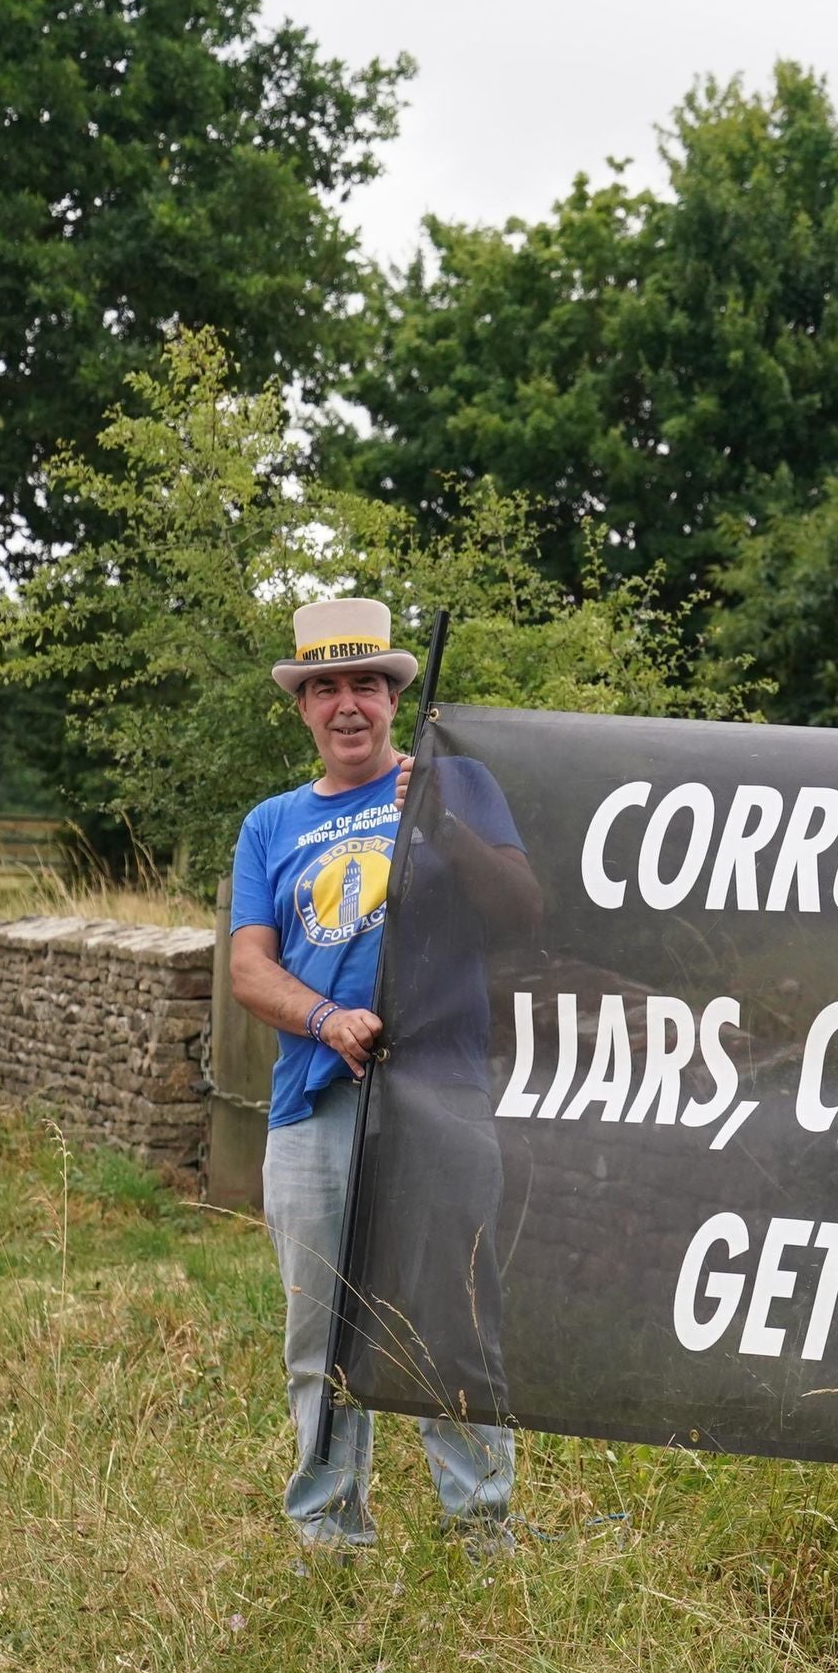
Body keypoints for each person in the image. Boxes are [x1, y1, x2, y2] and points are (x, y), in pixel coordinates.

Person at [228, 597, 534, 1547]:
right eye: (327, 687)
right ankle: (330, 1532)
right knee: (321, 1333)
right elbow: (248, 964)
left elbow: (521, 909)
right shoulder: (271, 824)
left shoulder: (458, 784)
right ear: (304, 708)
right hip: (313, 1104)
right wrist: (325, 1019)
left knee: (452, 1313)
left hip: (438, 1093)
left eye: (367, 683)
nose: (348, 703)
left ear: (397, 696)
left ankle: (483, 1529)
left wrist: (440, 825)